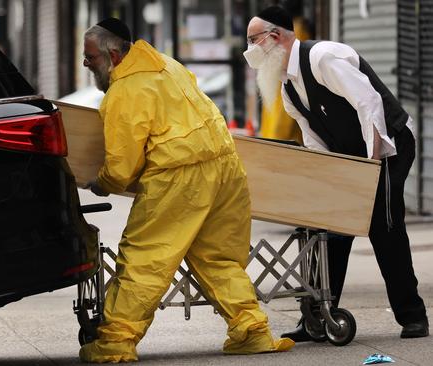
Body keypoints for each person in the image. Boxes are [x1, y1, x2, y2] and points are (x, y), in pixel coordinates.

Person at [80, 17, 294, 363]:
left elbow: (122, 165)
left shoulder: (125, 91)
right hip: (224, 166)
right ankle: (252, 331)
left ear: (115, 55)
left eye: (91, 57)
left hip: (179, 175)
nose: (86, 63)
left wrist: (103, 183)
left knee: (144, 259)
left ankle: (115, 344)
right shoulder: (167, 64)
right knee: (219, 257)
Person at [244, 6, 429, 341]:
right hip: (347, 157)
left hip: (387, 147)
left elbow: (368, 103)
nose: (249, 50)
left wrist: (372, 165)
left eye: (252, 40)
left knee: (384, 227)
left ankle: (413, 317)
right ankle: (316, 319)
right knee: (329, 231)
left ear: (275, 38)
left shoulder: (322, 58)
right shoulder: (287, 86)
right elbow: (313, 139)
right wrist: (327, 183)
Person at [259, 0, 310, 143]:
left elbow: (292, 84)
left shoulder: (295, 31)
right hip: (275, 136)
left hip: (285, 140)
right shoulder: (284, 31)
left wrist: (277, 140)